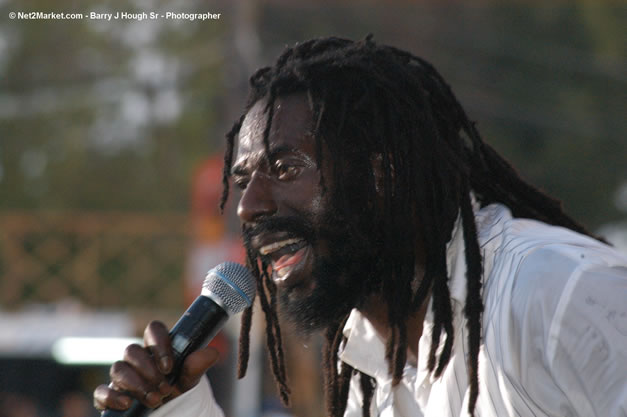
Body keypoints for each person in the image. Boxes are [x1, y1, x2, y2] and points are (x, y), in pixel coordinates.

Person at [93, 36, 627, 417]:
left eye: (284, 169)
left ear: (382, 174)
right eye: (243, 180)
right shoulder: (370, 357)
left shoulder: (553, 294)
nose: (248, 207)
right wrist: (177, 407)